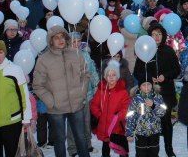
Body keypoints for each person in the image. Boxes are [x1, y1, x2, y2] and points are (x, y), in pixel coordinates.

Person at [32, 26, 91, 157]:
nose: (60, 40)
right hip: (56, 109)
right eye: (56, 37)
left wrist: (81, 93)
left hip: (76, 105)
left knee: (81, 138)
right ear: (51, 41)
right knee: (59, 140)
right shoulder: (43, 59)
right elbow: (37, 85)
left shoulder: (76, 54)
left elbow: (86, 75)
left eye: (62, 36)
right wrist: (51, 101)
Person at [132, 23, 181, 157]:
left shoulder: (169, 51)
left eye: (159, 34)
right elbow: (137, 72)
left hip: (166, 93)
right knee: (148, 121)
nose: (157, 37)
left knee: (166, 122)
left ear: (163, 35)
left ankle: (169, 149)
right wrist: (148, 79)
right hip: (148, 93)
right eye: (153, 34)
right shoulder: (144, 49)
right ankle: (150, 150)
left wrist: (165, 76)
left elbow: (177, 70)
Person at [68, 31, 101, 157]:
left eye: (77, 41)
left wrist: (97, 85)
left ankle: (88, 144)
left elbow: (92, 71)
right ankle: (72, 148)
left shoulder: (86, 55)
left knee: (86, 121)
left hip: (86, 94)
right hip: (71, 96)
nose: (76, 44)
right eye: (73, 42)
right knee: (72, 123)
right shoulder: (65, 57)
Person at [90, 61, 131, 157]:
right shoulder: (101, 90)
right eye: (109, 75)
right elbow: (94, 105)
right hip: (104, 126)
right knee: (105, 148)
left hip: (117, 126)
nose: (111, 77)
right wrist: (99, 115)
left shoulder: (122, 91)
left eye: (113, 75)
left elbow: (126, 107)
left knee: (122, 149)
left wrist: (118, 116)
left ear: (117, 77)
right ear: (105, 77)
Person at [126, 78, 167, 157]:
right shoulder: (136, 99)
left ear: (152, 85)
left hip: (154, 132)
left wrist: (153, 105)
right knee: (140, 153)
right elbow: (130, 116)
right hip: (140, 132)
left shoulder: (158, 97)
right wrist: (129, 133)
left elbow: (163, 112)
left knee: (154, 153)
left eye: (148, 84)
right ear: (139, 87)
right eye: (144, 85)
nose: (146, 87)